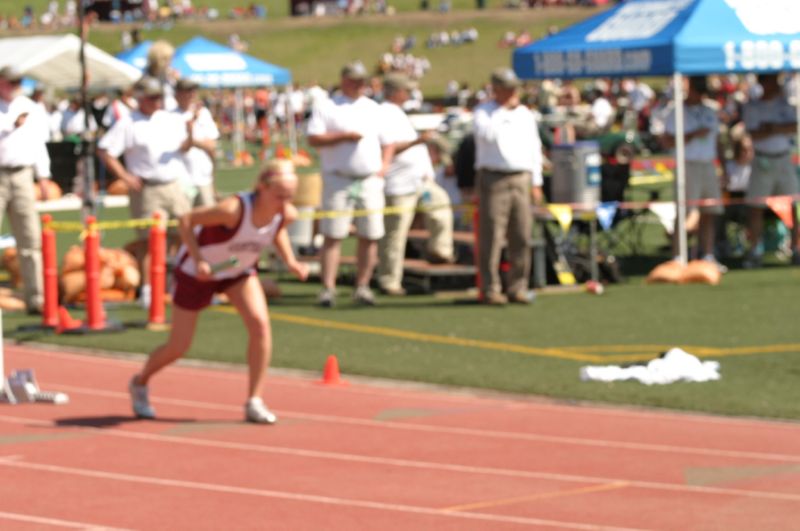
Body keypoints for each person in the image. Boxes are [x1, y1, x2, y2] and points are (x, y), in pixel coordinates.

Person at [128, 158, 308, 424]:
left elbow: (276, 228)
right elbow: (186, 220)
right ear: (262, 186)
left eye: (289, 197)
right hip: (197, 275)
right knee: (179, 346)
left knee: (260, 325)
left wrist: (291, 261)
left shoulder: (285, 212)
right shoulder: (232, 209)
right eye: (279, 195)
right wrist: (198, 258)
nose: (284, 203)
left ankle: (254, 400)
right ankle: (140, 382)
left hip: (238, 271)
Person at [97, 76, 192, 307]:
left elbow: (184, 146)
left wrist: (190, 135)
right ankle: (149, 290)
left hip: (173, 184)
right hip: (147, 189)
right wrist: (125, 177)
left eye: (159, 97)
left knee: (186, 234)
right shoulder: (128, 123)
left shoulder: (168, 119)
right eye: (152, 97)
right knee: (150, 242)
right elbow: (105, 150)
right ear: (141, 99)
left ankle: (181, 283)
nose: (157, 101)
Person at [307, 62, 389, 307]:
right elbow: (314, 138)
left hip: (368, 178)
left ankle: (362, 286)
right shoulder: (328, 106)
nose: (359, 85)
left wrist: (384, 166)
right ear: (344, 81)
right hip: (338, 177)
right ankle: (328, 287)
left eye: (362, 81)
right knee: (333, 233)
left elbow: (388, 141)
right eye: (355, 80)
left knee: (371, 233)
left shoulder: (373, 108)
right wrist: (343, 136)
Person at [377, 73, 454, 296]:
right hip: (399, 185)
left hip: (419, 180)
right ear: (396, 91)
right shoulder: (384, 113)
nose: (409, 94)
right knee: (395, 233)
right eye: (406, 90)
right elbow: (388, 148)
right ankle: (389, 280)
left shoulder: (399, 113)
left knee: (440, 205)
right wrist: (419, 140)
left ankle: (440, 250)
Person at [473, 67, 543, 305]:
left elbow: (534, 147)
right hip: (494, 177)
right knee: (492, 235)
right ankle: (490, 287)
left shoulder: (525, 114)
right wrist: (503, 111)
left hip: (521, 176)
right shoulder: (484, 112)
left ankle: (518, 285)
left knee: (522, 234)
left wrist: (536, 181)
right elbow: (488, 135)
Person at [0, 66, 51, 314]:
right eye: (11, 82)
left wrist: (44, 176)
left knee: (30, 238)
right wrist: (11, 126)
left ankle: (36, 297)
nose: (15, 85)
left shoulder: (29, 106)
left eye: (17, 81)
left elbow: (38, 143)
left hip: (22, 174)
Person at [663, 76, 725, 268]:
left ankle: (707, 255)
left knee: (710, 211)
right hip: (687, 164)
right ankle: (678, 256)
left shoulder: (710, 111)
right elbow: (666, 141)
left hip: (708, 165)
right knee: (686, 212)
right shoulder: (676, 112)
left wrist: (723, 166)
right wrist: (692, 135)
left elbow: (717, 141)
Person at [742, 73, 799, 267]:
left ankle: (796, 247)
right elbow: (754, 132)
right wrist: (775, 129)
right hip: (762, 160)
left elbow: (793, 126)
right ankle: (755, 249)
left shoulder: (785, 104)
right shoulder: (753, 106)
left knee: (794, 205)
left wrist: (773, 128)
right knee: (756, 207)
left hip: (783, 159)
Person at [174, 78, 220, 207]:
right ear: (177, 94)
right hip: (181, 180)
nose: (191, 94)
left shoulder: (204, 113)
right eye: (187, 91)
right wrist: (193, 139)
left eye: (193, 90)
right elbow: (181, 147)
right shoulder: (169, 116)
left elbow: (212, 145)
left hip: (203, 177)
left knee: (207, 221)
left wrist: (192, 140)